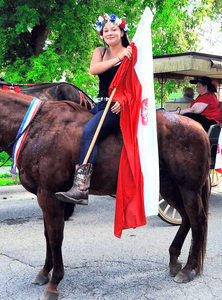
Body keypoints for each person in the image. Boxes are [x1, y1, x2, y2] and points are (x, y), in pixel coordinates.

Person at [56, 13, 132, 205]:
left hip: (117, 107)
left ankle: (81, 188)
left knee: (90, 131)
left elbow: (137, 85)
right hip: (100, 104)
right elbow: (94, 69)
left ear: (122, 31)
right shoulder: (100, 51)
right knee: (75, 129)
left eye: (114, 29)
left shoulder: (131, 53)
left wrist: (124, 100)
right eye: (105, 30)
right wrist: (118, 58)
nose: (109, 33)